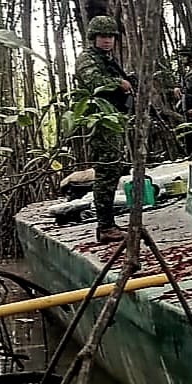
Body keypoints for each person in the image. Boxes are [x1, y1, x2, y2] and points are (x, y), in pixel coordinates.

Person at [74, 15, 132, 244]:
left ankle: (108, 225)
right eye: (102, 36)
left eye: (110, 36)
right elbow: (95, 83)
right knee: (106, 171)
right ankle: (105, 227)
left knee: (113, 169)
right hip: (99, 120)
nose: (107, 40)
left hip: (113, 119)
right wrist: (119, 83)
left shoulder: (108, 59)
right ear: (93, 37)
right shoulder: (88, 59)